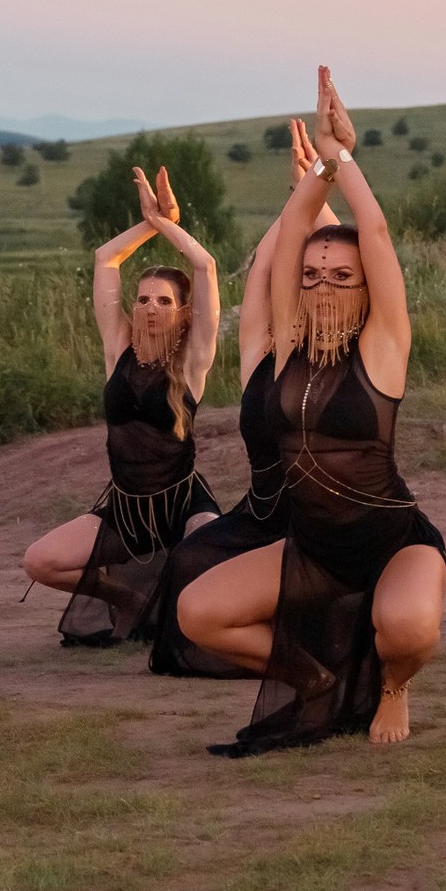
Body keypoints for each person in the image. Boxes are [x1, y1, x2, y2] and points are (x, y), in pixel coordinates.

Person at [178, 69, 446, 751]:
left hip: (392, 541)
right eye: (311, 275)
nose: (324, 285)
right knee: (198, 614)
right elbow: (295, 230)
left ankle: (392, 685)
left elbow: (378, 230)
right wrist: (315, 175)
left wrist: (343, 156)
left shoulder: (384, 348)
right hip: (312, 550)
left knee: (410, 631)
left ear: (367, 286)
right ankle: (318, 676)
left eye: (342, 275)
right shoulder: (282, 353)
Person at [150, 121, 332, 677]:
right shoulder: (260, 351)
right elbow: (261, 266)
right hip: (262, 511)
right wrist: (301, 194)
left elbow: (341, 254)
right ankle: (247, 642)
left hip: (321, 515)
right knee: (187, 560)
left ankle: (303, 646)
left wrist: (319, 182)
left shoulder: (337, 357)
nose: (297, 287)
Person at [20, 166, 224, 646]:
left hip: (181, 504)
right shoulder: (118, 351)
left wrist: (170, 226)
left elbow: (206, 267)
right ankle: (127, 599)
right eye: (143, 299)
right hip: (125, 508)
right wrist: (151, 222)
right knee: (39, 561)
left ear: (183, 312)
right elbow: (105, 258)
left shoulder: (193, 360)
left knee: (215, 558)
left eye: (163, 300)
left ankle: (187, 612)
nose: (151, 307)